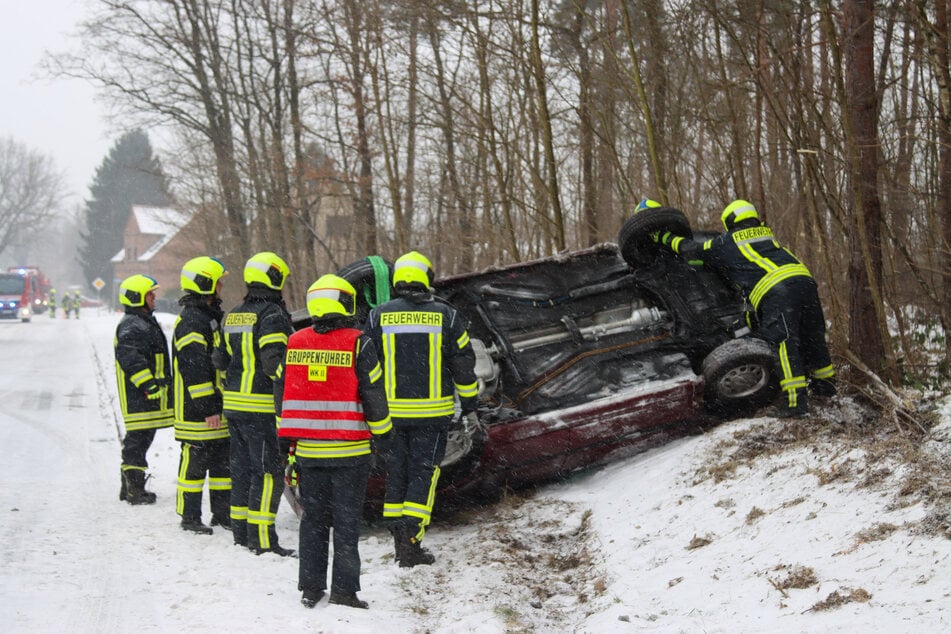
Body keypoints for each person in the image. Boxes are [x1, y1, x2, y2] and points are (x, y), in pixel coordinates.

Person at [652, 198, 836, 417]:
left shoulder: (727, 241)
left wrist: (664, 237)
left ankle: (796, 405)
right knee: (813, 337)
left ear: (730, 221)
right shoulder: (767, 235)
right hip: (805, 283)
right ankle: (827, 391)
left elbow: (693, 250)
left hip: (778, 291)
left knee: (785, 344)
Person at [276, 274, 392, 609]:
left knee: (312, 520)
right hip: (350, 453)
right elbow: (373, 394)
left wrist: (286, 440)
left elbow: (281, 394)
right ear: (343, 303)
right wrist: (384, 437)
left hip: (309, 453)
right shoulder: (359, 342)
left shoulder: (295, 342)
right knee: (345, 522)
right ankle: (344, 591)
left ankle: (310, 589)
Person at [364, 251, 479, 567]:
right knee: (422, 475)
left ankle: (398, 538)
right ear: (426, 278)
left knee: (396, 474)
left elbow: (366, 367)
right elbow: (463, 363)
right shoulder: (446, 315)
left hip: (390, 417)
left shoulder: (377, 316)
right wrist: (469, 403)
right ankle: (412, 542)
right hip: (431, 416)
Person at [214, 251, 295, 556]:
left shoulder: (233, 313)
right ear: (273, 279)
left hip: (234, 406)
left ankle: (241, 533)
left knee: (243, 470)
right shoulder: (272, 315)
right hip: (260, 408)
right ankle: (263, 540)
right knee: (269, 473)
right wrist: (295, 382)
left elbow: (219, 359)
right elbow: (274, 363)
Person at [172, 256, 231, 535]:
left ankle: (222, 514)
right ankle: (190, 517)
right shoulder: (193, 321)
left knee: (221, 464)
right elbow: (194, 367)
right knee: (195, 465)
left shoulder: (208, 317)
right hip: (197, 411)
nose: (221, 286)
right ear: (206, 283)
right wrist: (208, 407)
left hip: (214, 407)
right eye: (218, 281)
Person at [115, 274, 174, 504]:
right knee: (137, 442)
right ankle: (134, 490)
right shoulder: (133, 324)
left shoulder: (141, 321)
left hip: (146, 395)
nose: (155, 297)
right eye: (150, 294)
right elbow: (131, 358)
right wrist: (148, 384)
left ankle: (129, 486)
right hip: (139, 396)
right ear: (137, 297)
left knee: (141, 439)